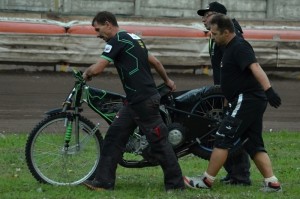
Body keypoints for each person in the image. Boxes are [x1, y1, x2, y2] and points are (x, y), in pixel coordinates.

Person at [82, 11, 184, 191]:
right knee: (114, 137)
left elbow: (97, 69)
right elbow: (156, 62)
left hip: (143, 101)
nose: (98, 35)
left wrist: (86, 73)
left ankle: (176, 185)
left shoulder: (117, 41)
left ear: (108, 24)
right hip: (136, 101)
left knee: (160, 143)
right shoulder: (134, 38)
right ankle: (103, 182)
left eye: (98, 30)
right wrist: (167, 81)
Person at [184, 14, 282, 192]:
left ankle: (206, 181)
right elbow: (233, 78)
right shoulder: (228, 47)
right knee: (253, 143)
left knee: (223, 138)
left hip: (247, 98)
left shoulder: (239, 46)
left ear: (227, 32)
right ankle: (272, 183)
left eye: (214, 34)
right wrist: (228, 100)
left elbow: (255, 67)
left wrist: (269, 90)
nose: (212, 37)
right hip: (245, 100)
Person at [197, 1, 251, 185]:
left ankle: (241, 176)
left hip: (233, 93)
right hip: (224, 91)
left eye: (207, 14)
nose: (203, 19)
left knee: (231, 132)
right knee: (225, 130)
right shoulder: (216, 34)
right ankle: (235, 174)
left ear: (219, 16)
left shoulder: (230, 33)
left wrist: (229, 93)